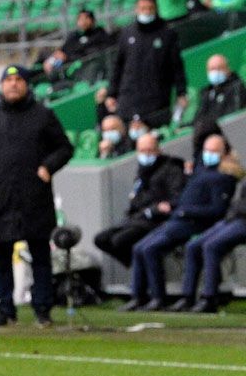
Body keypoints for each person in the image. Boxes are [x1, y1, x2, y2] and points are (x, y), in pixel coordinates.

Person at [0, 65, 74, 328]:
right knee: (1, 256)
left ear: (26, 84)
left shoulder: (43, 115)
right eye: (8, 80)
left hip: (34, 197)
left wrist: (48, 167)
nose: (13, 84)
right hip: (1, 197)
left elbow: (64, 148)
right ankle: (5, 309)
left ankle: (42, 309)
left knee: (40, 255)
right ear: (2, 85)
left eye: (18, 80)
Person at [124, 133, 237, 311]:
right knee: (138, 248)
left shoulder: (223, 177)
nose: (209, 154)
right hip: (177, 219)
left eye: (214, 151)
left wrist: (186, 211)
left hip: (193, 222)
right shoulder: (198, 171)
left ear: (224, 153)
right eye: (207, 150)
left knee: (150, 248)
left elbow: (217, 210)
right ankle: (139, 296)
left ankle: (160, 297)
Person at [92, 132, 184, 267]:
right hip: (137, 218)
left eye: (150, 150)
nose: (146, 154)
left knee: (119, 241)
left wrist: (156, 209)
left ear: (158, 150)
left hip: (156, 220)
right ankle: (138, 268)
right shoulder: (142, 171)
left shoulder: (171, 169)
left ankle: (141, 271)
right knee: (101, 239)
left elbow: (176, 197)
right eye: (142, 151)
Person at [108, 0, 186, 129]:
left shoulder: (167, 33)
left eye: (150, 8)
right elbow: (118, 66)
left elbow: (177, 66)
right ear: (137, 9)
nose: (146, 12)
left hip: (157, 98)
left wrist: (181, 92)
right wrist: (112, 93)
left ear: (156, 9)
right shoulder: (127, 33)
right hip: (129, 98)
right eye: (143, 8)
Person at [177, 176, 246, 313]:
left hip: (242, 220)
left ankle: (209, 298)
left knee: (211, 246)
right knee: (193, 246)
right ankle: (188, 296)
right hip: (233, 218)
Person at [191, 53, 245, 160]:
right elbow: (198, 118)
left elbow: (234, 114)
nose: (215, 72)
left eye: (219, 68)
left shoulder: (237, 87)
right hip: (209, 139)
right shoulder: (206, 93)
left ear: (227, 69)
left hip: (232, 137)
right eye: (212, 69)